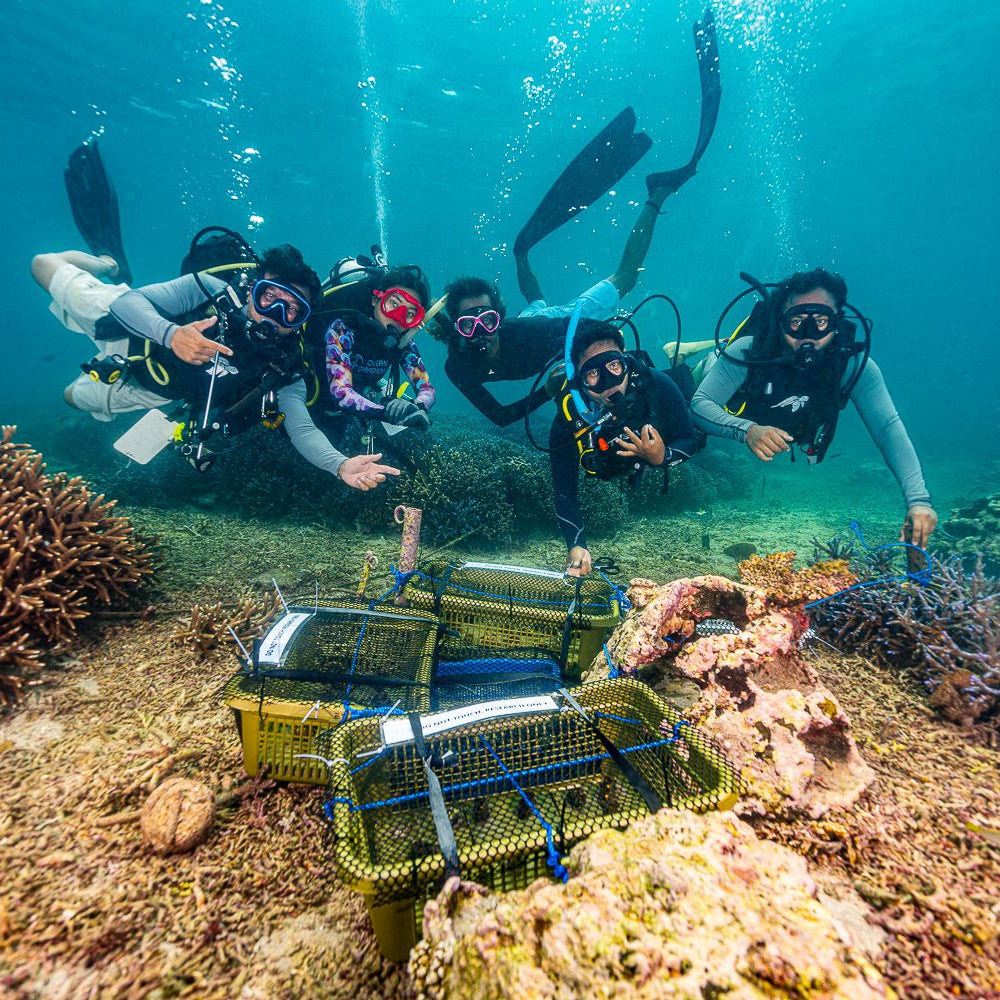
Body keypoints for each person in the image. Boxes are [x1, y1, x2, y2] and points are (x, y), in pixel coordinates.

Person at [441, 9, 722, 429]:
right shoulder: (457, 369)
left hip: (564, 326)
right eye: (469, 323)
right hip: (540, 324)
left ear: (499, 316)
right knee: (536, 302)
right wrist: (549, 390)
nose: (482, 331)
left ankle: (656, 195)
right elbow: (500, 418)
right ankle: (523, 253)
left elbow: (588, 333)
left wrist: (591, 368)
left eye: (488, 318)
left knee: (626, 279)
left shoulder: (529, 335)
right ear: (456, 329)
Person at [31, 245, 398, 492]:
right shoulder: (211, 291)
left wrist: (339, 465)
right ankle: (105, 264)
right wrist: (172, 334)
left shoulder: (286, 368)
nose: (275, 314)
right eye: (268, 297)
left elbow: (301, 428)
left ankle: (99, 371)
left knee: (71, 398)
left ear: (302, 321)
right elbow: (131, 303)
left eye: (292, 310)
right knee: (44, 265)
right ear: (253, 288)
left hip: (150, 386)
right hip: (130, 330)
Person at [689, 268, 937, 548]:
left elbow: (887, 428)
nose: (808, 335)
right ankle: (703, 353)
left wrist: (919, 501)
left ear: (837, 321)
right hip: (735, 398)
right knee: (690, 384)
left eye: (820, 321)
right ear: (781, 321)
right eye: (797, 321)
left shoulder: (854, 366)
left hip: (779, 413)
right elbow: (699, 405)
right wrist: (747, 430)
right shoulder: (748, 352)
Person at [550, 320, 698, 576]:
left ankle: (699, 363)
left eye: (613, 366)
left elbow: (690, 438)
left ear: (626, 362)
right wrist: (576, 546)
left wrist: (662, 457)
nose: (608, 383)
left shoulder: (656, 384)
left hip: (677, 398)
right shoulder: (569, 418)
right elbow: (564, 491)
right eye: (593, 374)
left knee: (696, 400)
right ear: (579, 379)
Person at [305, 264, 435, 434]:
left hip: (345, 410)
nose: (398, 317)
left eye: (410, 314)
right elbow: (341, 393)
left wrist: (416, 405)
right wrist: (388, 413)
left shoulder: (404, 344)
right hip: (309, 396)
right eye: (394, 303)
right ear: (376, 300)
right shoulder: (342, 329)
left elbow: (426, 389)